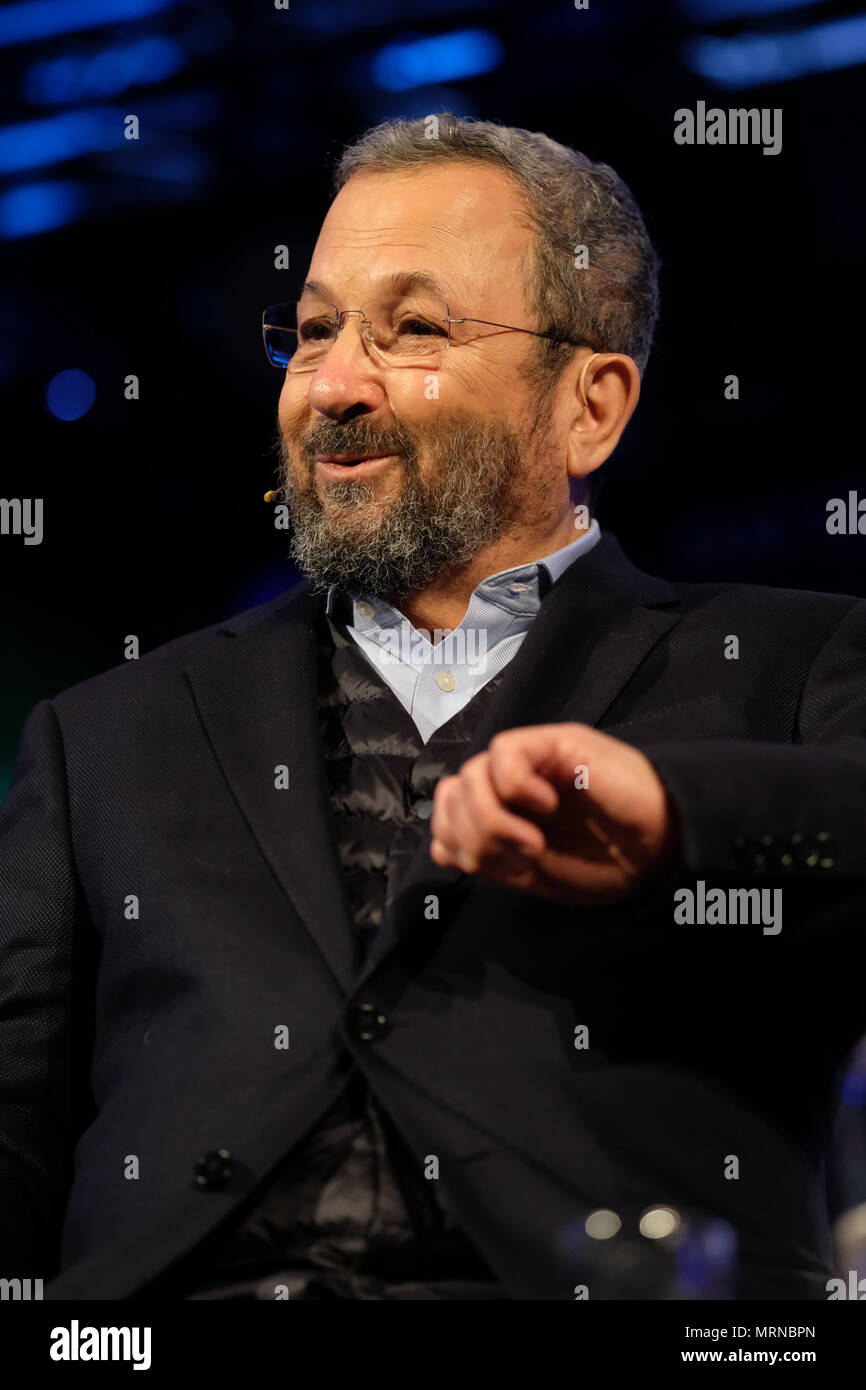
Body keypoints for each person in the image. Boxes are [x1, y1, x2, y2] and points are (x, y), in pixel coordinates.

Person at [2, 115, 864, 1302]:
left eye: (412, 329)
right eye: (313, 331)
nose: (333, 386)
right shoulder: (101, 735)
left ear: (588, 406)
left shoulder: (791, 659)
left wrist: (679, 816)